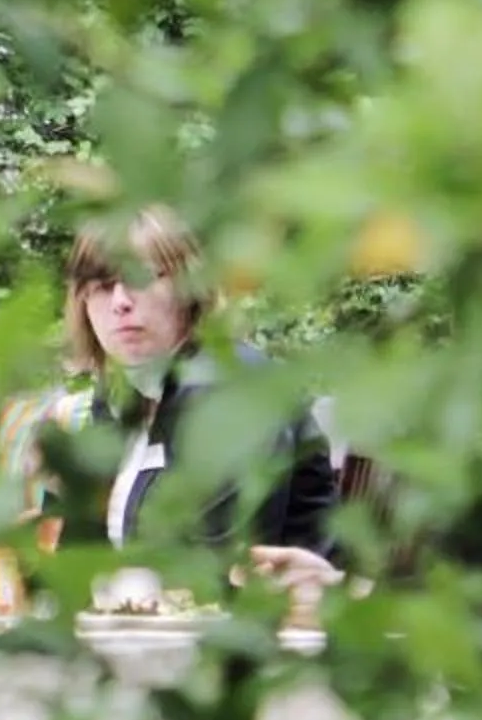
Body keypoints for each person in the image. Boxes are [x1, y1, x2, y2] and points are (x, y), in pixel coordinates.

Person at [41, 209, 343, 594]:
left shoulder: (232, 394)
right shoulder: (121, 395)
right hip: (153, 634)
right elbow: (74, 557)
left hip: (275, 637)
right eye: (101, 285)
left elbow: (212, 571)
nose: (119, 301)